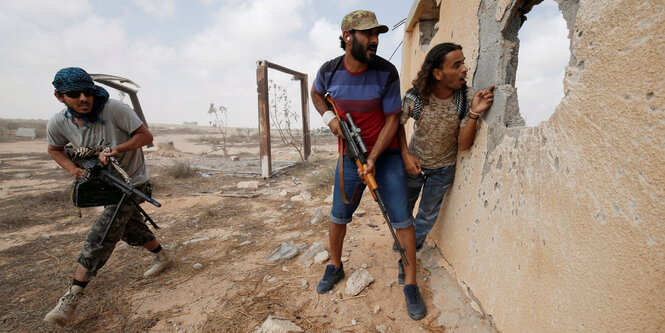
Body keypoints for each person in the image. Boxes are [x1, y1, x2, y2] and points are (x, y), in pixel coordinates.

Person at [310, 10, 426, 320]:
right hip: (349, 158)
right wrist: (330, 120)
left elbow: (392, 120)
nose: (375, 40)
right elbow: (316, 94)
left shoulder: (386, 73)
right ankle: (334, 265)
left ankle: (411, 283)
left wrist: (373, 158)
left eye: (377, 34)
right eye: (367, 34)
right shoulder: (329, 71)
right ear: (348, 36)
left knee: (402, 219)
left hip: (383, 158)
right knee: (338, 215)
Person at [43, 67, 174, 327]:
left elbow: (146, 136)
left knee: (102, 234)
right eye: (74, 94)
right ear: (60, 97)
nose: (83, 98)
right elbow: (55, 149)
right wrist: (74, 170)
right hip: (104, 187)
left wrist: (118, 149)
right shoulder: (59, 122)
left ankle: (72, 295)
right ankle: (162, 256)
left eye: (87, 92)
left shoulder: (114, 109)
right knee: (128, 228)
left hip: (132, 183)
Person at [397, 43, 495, 252]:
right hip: (414, 165)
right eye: (456, 65)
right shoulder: (416, 97)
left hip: (443, 170)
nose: (465, 69)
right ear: (438, 74)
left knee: (425, 216)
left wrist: (475, 113)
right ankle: (403, 243)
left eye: (463, 63)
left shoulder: (465, 98)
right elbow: (396, 124)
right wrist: (405, 155)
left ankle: (408, 256)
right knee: (403, 210)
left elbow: (463, 144)